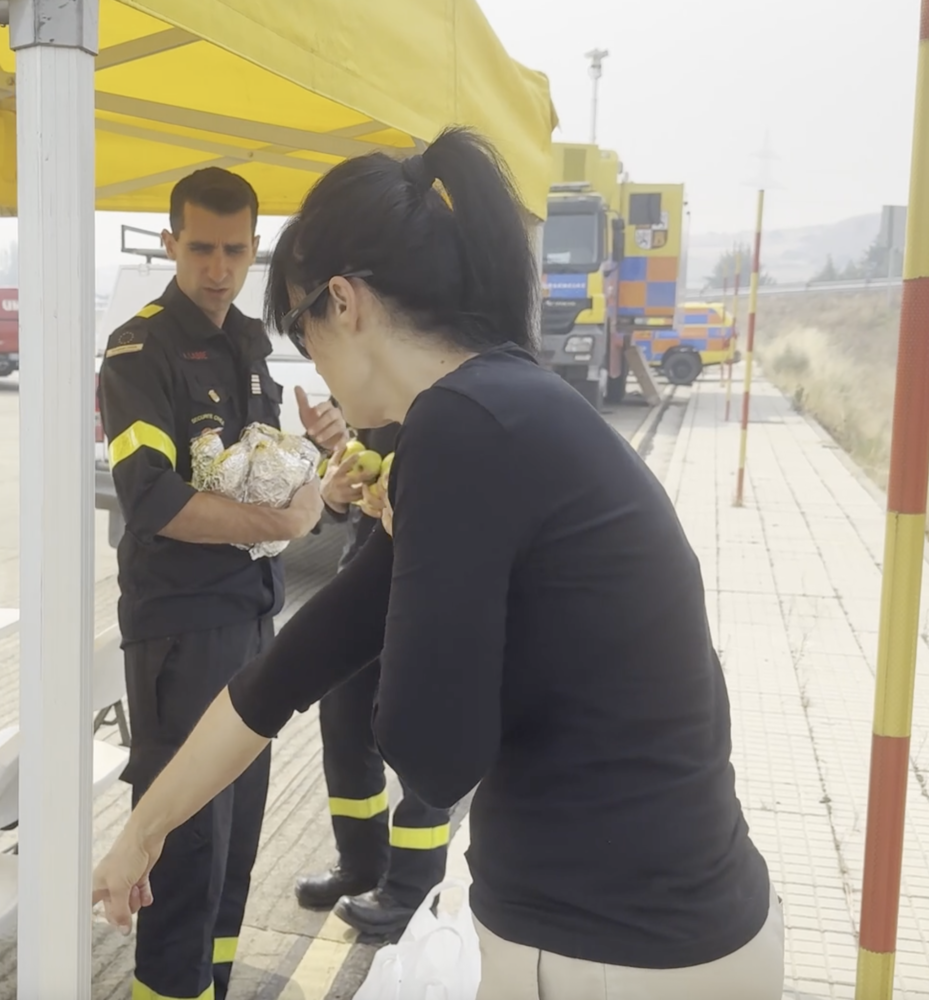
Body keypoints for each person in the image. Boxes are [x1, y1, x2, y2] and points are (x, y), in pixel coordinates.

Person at [93, 128, 781, 999]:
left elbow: (431, 751)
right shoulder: (503, 404)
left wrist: (430, 554)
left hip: (615, 948)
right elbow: (285, 673)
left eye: (306, 337)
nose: (318, 373)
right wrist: (144, 830)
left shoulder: (460, 430)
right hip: (671, 922)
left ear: (343, 302)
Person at [97, 166, 325, 1000]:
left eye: (234, 250)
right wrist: (286, 525)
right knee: (185, 850)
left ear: (254, 249)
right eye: (200, 248)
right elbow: (151, 497)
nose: (218, 267)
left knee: (234, 845)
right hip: (182, 632)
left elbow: (259, 475)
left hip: (248, 619)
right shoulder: (140, 349)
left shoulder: (252, 346)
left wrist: (318, 461)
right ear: (170, 244)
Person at [291, 413, 454, 940]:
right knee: (342, 724)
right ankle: (360, 865)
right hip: (362, 578)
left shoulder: (450, 395)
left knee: (417, 735)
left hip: (428, 585)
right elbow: (339, 475)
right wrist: (334, 490)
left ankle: (411, 890)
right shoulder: (363, 388)